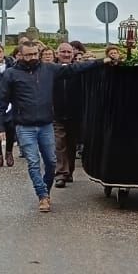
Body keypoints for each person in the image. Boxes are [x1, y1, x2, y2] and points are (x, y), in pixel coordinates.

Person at [0, 39, 98, 211]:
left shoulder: (48, 69)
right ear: (20, 55)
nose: (33, 57)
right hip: (24, 126)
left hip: (46, 124)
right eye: (29, 55)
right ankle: (42, 196)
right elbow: (2, 102)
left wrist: (99, 62)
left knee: (51, 162)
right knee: (33, 162)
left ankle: (45, 189)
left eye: (35, 54)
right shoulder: (11, 74)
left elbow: (73, 69)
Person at [52, 41, 80, 186]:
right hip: (57, 114)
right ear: (57, 54)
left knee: (71, 144)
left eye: (69, 52)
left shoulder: (79, 70)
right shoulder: (51, 70)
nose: (66, 54)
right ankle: (61, 174)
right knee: (59, 143)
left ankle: (69, 171)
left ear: (73, 54)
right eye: (63, 52)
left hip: (75, 114)